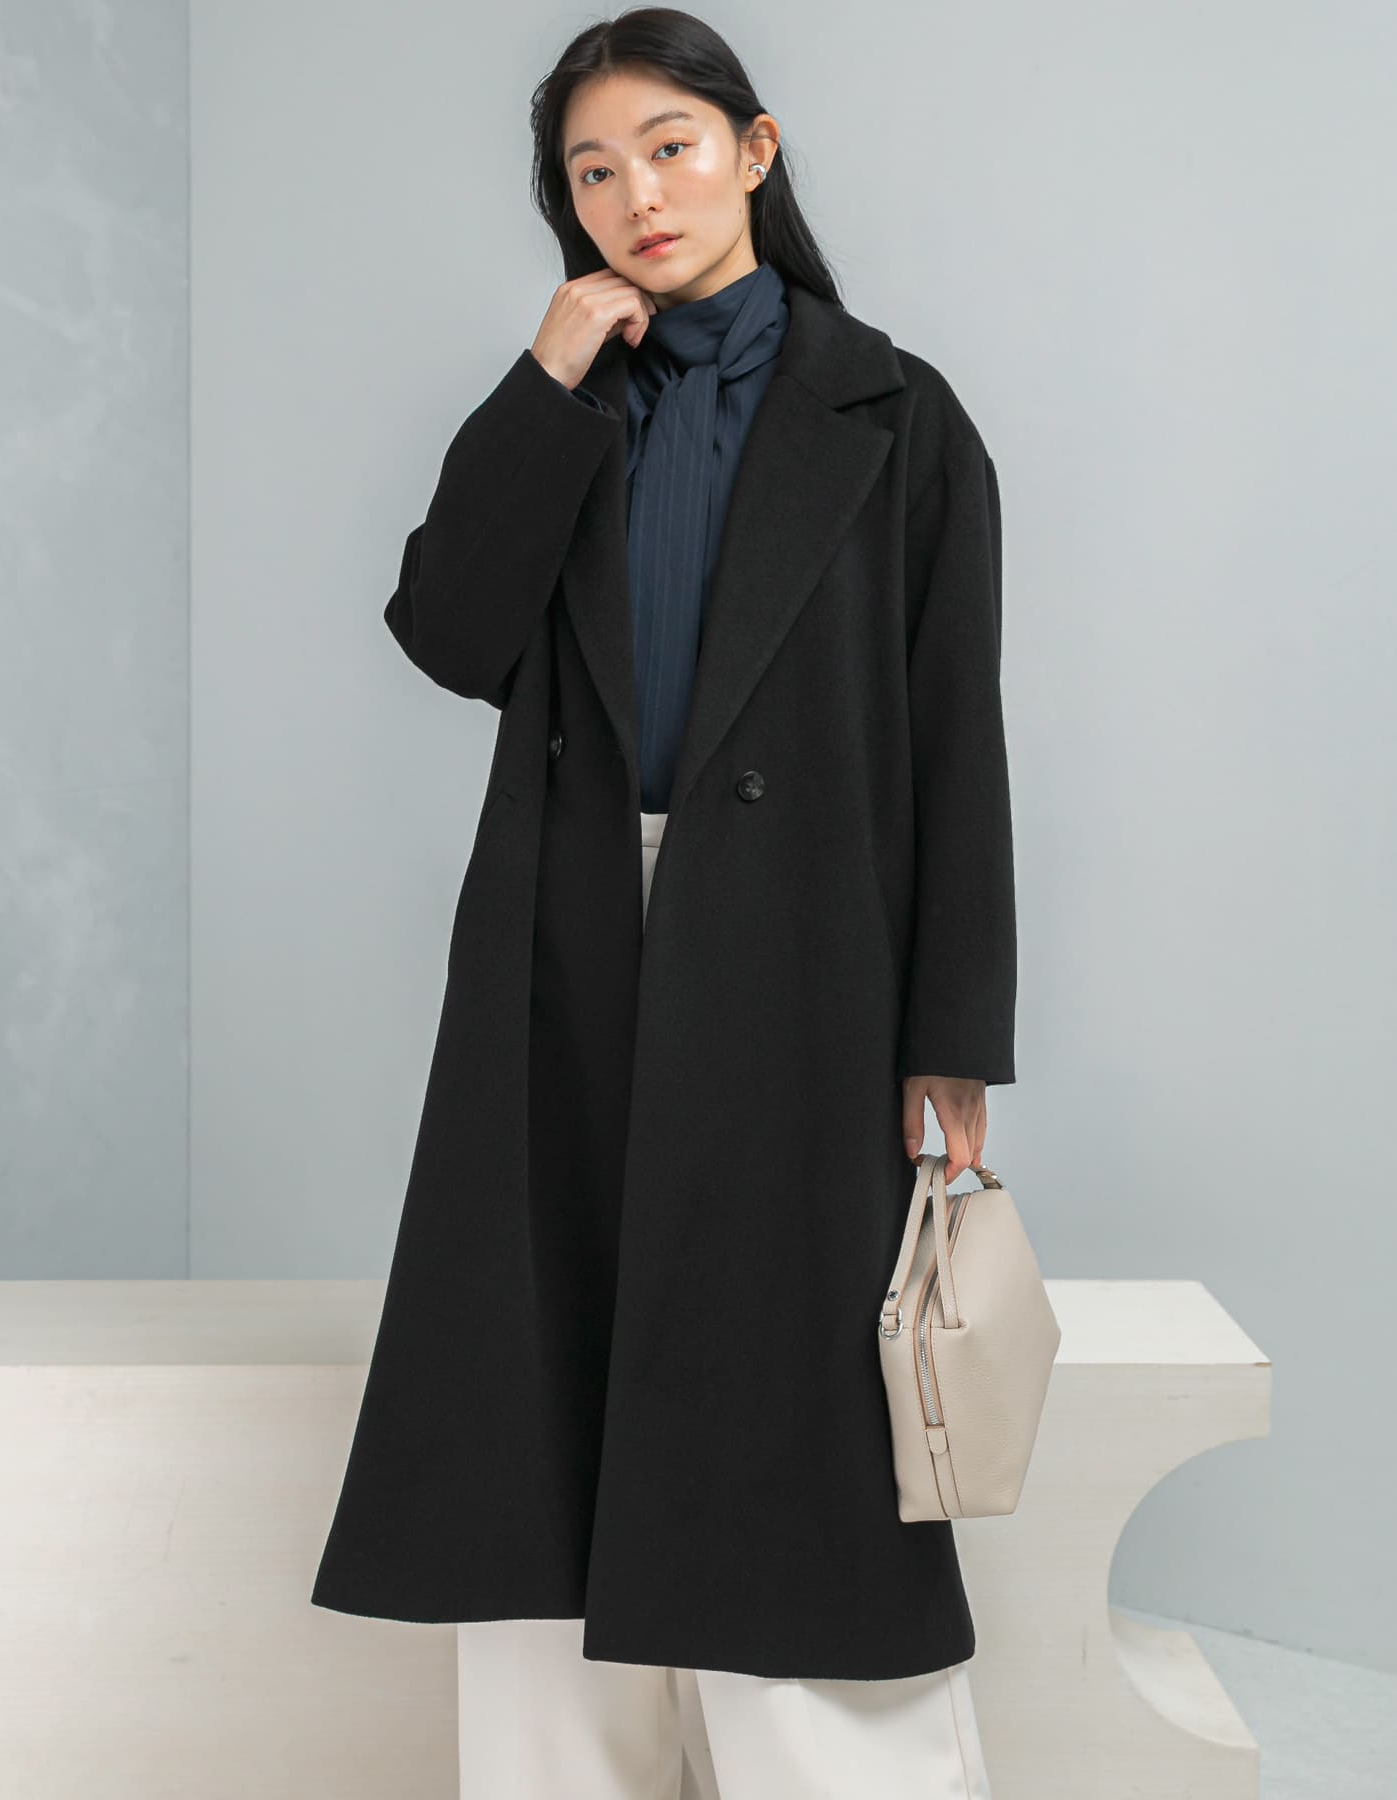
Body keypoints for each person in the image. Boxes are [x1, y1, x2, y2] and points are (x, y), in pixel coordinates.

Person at [312, 9, 1015, 1796]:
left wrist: (951, 1025)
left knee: (792, 1396)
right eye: (594, 171)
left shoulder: (898, 415)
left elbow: (954, 726)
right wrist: (542, 382)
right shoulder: (574, 409)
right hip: (570, 949)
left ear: (755, 153)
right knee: (543, 1372)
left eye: (672, 149)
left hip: (802, 959)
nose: (639, 195)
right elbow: (448, 635)